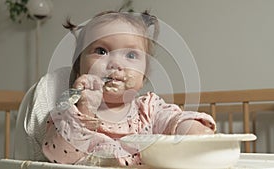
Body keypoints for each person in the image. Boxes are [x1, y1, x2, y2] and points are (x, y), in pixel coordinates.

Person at [42, 10, 216, 167]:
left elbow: (172, 119)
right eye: (101, 51)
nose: (116, 63)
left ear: (144, 74)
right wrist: (85, 110)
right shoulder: (68, 112)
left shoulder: (148, 110)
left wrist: (189, 128)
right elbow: (58, 158)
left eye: (131, 55)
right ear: (79, 67)